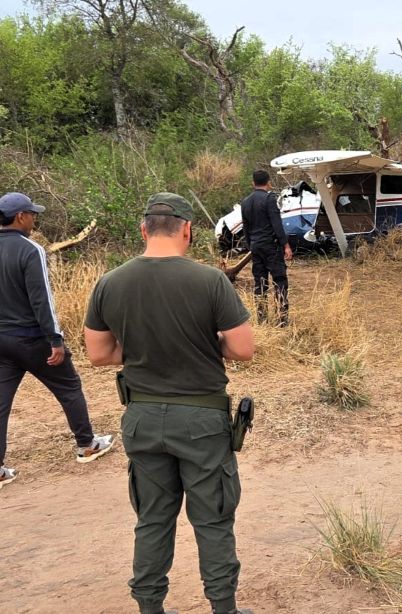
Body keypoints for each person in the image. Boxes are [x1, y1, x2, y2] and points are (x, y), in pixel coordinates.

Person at [83, 193, 255, 614]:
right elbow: (242, 348)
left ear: (144, 230)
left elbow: (98, 354)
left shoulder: (110, 282)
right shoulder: (210, 281)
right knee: (213, 519)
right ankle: (224, 608)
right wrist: (203, 344)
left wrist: (142, 348)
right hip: (202, 419)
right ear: (187, 230)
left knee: (153, 519)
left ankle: (150, 607)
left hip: (142, 418)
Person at [0, 192, 114, 489]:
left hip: (3, 341)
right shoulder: (30, 250)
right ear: (21, 216)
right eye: (32, 214)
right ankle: (87, 445)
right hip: (33, 339)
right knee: (69, 387)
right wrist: (55, 340)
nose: (34, 220)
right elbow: (42, 300)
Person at [240, 169, 293, 325]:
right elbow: (277, 224)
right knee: (280, 280)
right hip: (271, 246)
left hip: (255, 246)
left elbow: (245, 228)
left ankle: (262, 318)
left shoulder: (245, 202)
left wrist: (251, 245)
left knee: (260, 283)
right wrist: (285, 245)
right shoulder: (270, 199)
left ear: (253, 183)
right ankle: (282, 318)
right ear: (268, 182)